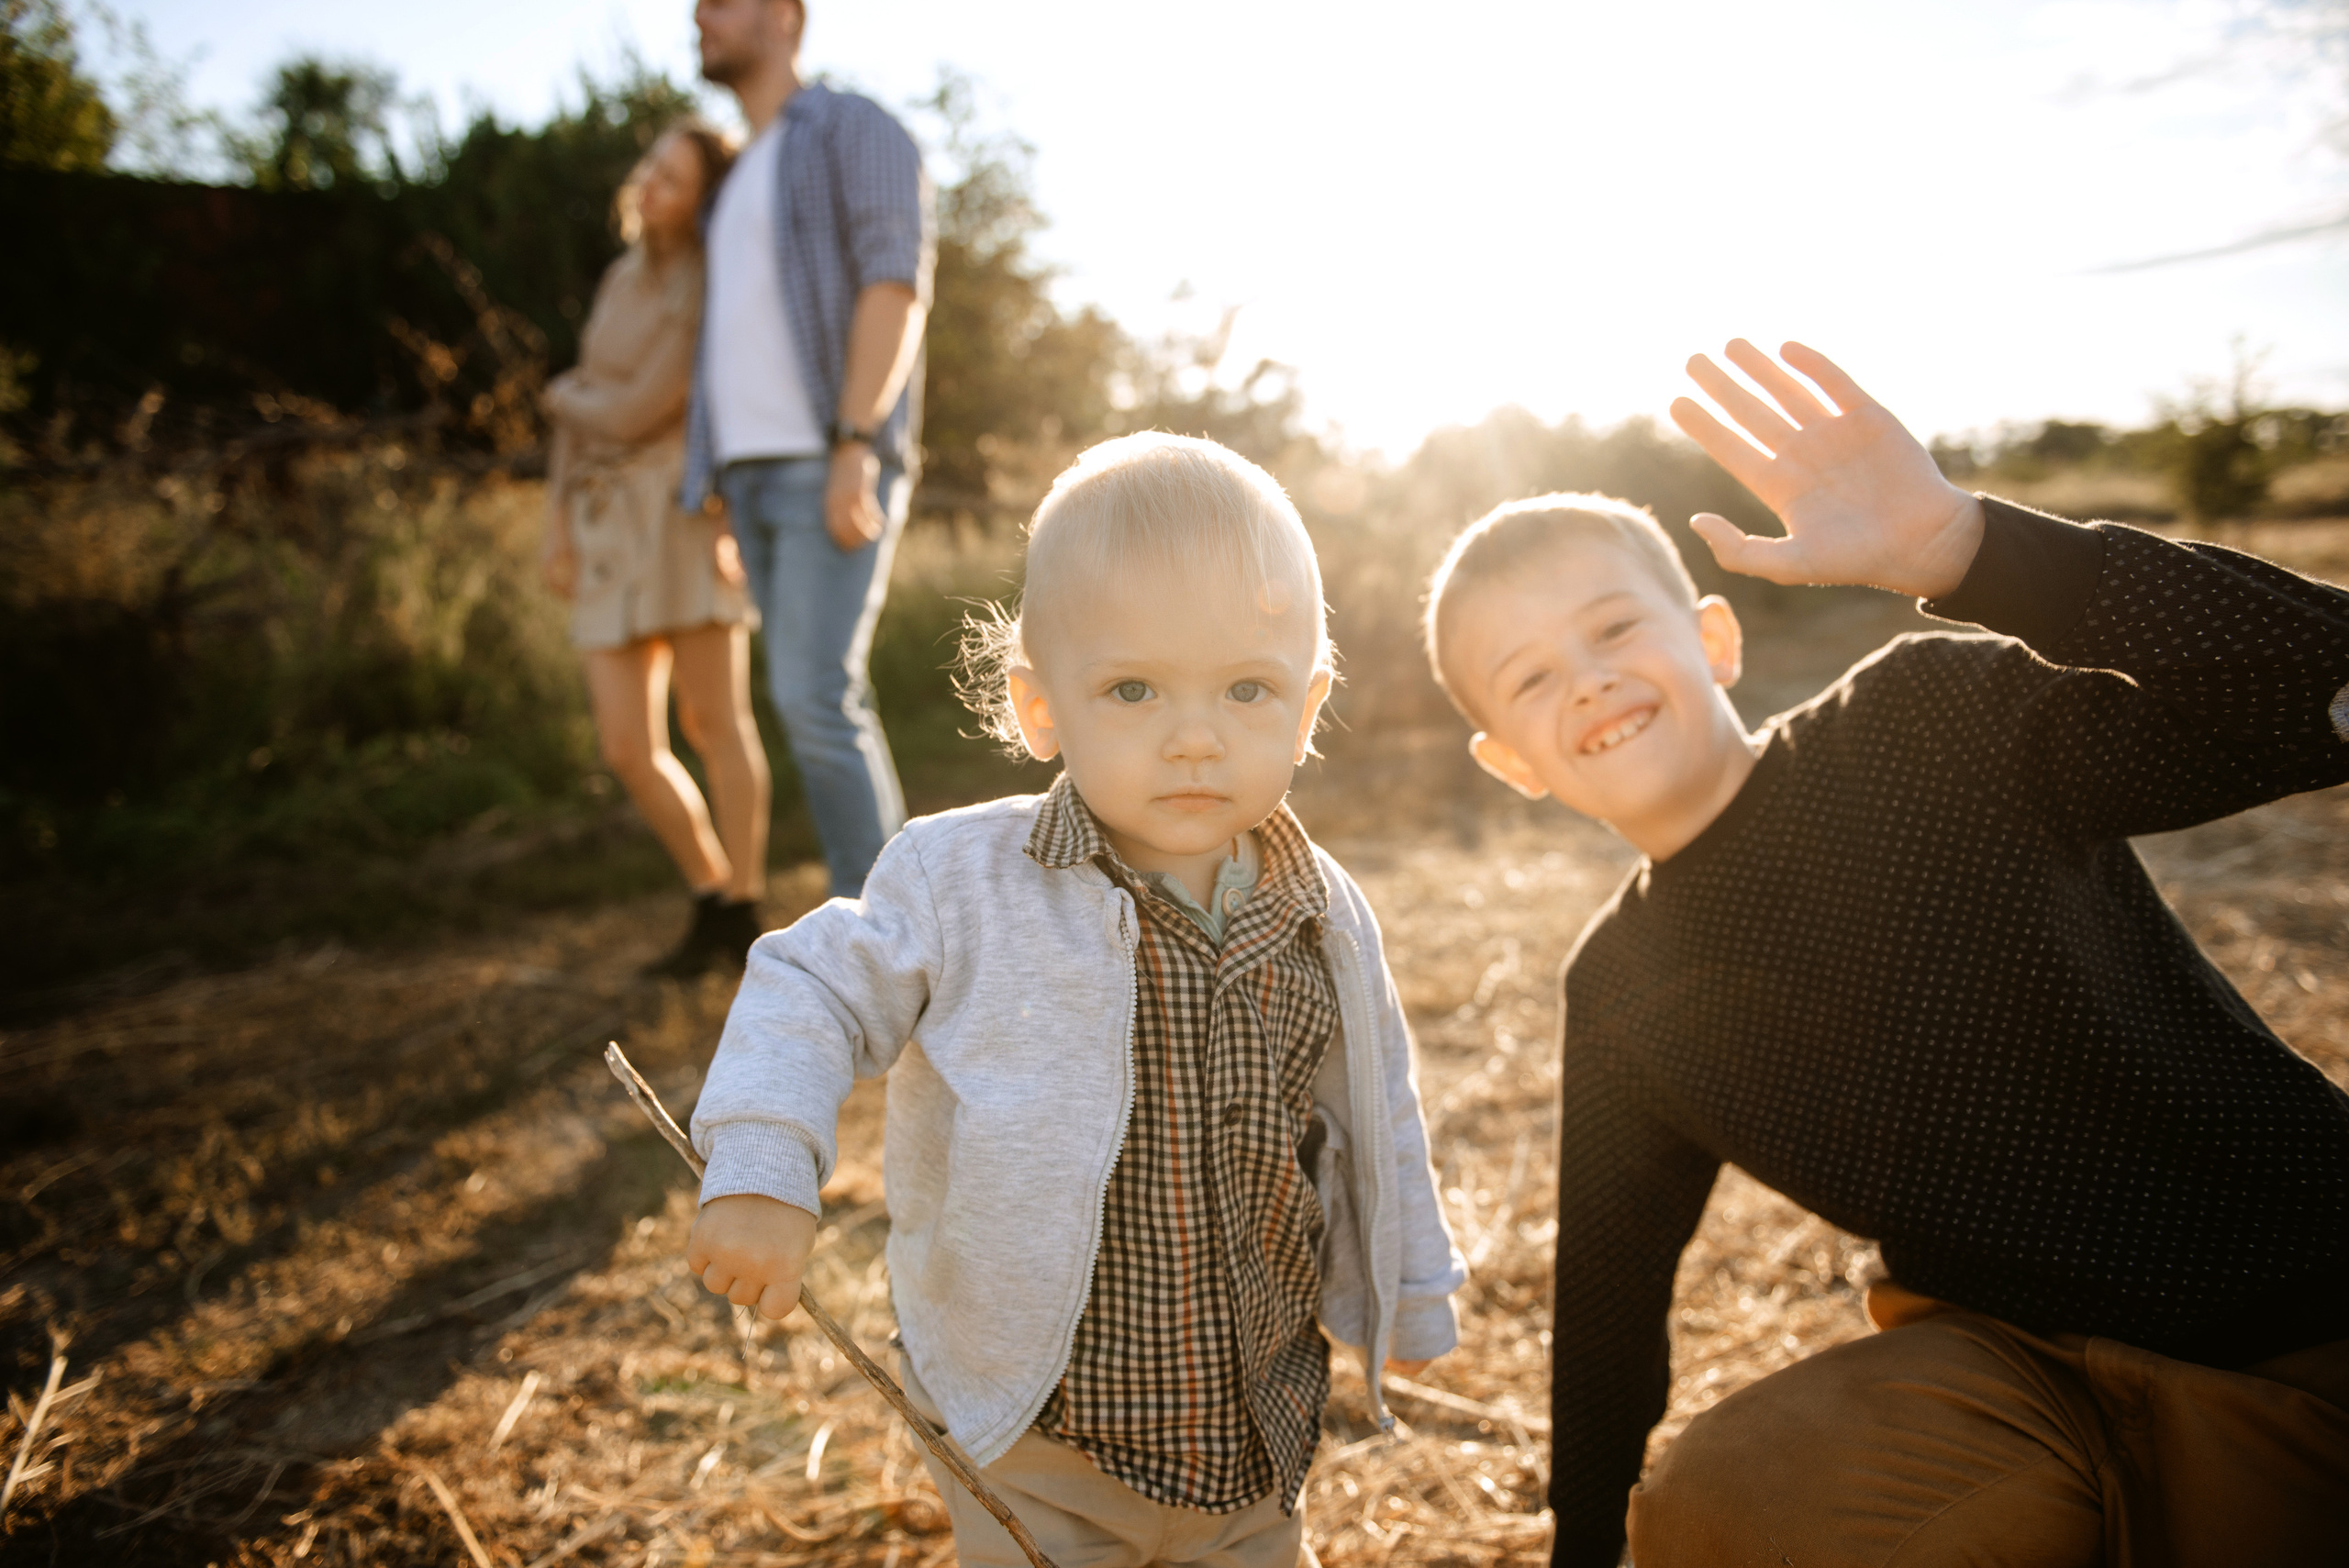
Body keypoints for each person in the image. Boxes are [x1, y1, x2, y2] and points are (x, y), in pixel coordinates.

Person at [1422, 340, 2349, 1567]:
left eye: (1611, 628)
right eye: (1529, 676)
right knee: (1725, 1504)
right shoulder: (1621, 988)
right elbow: (1608, 1307)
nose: (1587, 680)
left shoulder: (1924, 725)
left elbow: (2319, 693)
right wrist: (1582, 1546)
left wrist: (1975, 551)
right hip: (2028, 1393)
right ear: (1513, 764)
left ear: (1714, 637)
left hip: (2304, 1314)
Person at [683, 435, 1467, 1567]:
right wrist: (762, 1161)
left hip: (1254, 1414)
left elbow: (1374, 1105)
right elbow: (811, 985)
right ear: (1041, 706)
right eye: (1131, 687)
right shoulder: (962, 881)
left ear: (1307, 709)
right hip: (1032, 1431)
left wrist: (1410, 1287)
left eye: (1247, 687)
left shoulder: (1321, 907)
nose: (1194, 734)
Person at [685, 0, 932, 898]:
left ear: (784, 17)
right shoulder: (735, 172)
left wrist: (854, 440)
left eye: (722, 2)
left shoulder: (851, 127)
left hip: (824, 456)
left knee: (813, 695)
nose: (699, 16)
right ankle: (890, 927)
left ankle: (891, 934)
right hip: (749, 474)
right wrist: (712, 481)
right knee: (807, 697)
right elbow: (728, 337)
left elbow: (892, 282)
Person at [542, 123, 772, 978]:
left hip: (682, 512)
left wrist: (565, 395)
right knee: (626, 747)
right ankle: (711, 890)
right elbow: (584, 416)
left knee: (715, 723)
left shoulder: (714, 282)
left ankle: (743, 905)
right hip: (602, 521)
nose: (651, 190)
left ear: (703, 199)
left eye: (673, 181)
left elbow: (642, 407)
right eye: (651, 173)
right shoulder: (618, 278)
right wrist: (554, 521)